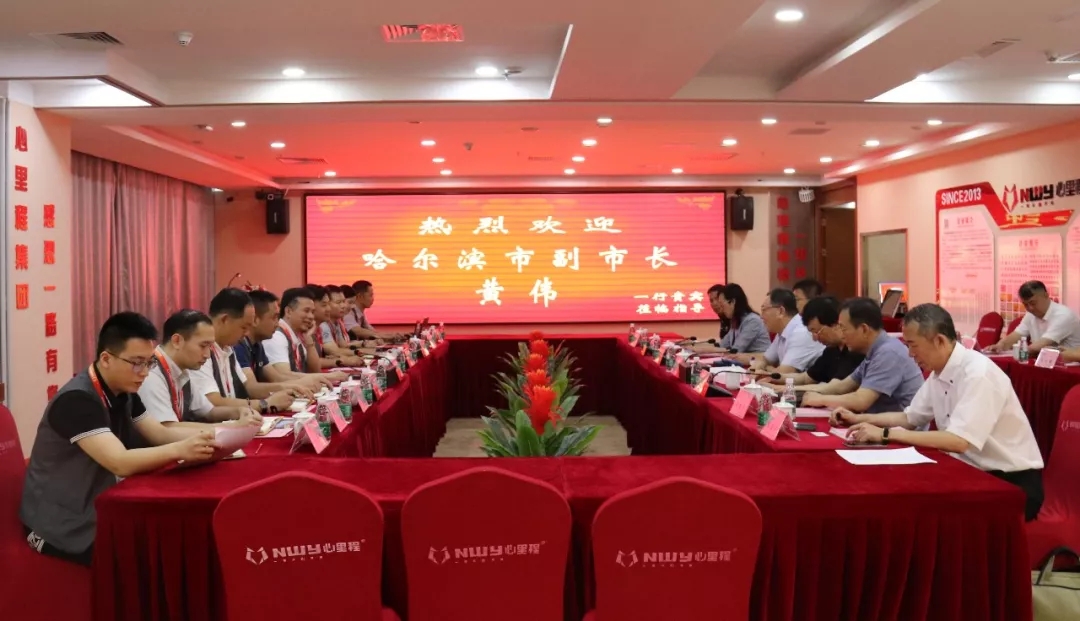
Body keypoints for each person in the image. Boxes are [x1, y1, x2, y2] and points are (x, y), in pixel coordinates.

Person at [20, 312, 219, 566]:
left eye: (149, 363)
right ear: (106, 359)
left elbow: (160, 433)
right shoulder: (76, 400)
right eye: (137, 363)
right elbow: (120, 462)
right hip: (60, 523)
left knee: (171, 535)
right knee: (153, 550)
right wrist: (181, 449)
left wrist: (219, 434)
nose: (144, 372)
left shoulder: (124, 391)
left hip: (98, 501)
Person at [837, 303, 1044, 520]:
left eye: (913, 345)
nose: (910, 354)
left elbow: (958, 441)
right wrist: (858, 418)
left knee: (918, 507)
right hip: (968, 470)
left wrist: (886, 434)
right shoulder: (939, 371)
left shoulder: (978, 373)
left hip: (1009, 483)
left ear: (939, 341)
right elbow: (909, 417)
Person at [139, 309, 264, 425]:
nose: (208, 355)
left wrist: (239, 411)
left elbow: (209, 412)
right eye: (203, 346)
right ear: (177, 341)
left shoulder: (182, 370)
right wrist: (233, 427)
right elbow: (167, 428)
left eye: (210, 347)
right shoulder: (151, 372)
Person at [801, 297, 923, 413]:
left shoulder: (889, 353)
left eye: (844, 329)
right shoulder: (874, 351)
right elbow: (842, 386)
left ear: (864, 329)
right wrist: (800, 392)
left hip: (899, 426)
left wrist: (821, 399)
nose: (842, 335)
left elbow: (861, 400)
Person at [190, 288, 298, 414]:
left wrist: (285, 389)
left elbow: (248, 387)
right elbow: (213, 402)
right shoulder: (201, 351)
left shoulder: (228, 348)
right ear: (225, 320)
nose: (246, 333)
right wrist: (264, 403)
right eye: (244, 327)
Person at [234, 289, 324, 394]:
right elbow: (251, 388)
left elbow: (276, 377)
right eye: (274, 317)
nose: (277, 323)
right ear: (255, 320)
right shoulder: (239, 344)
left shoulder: (257, 344)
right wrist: (296, 386)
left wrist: (314, 379)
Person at [764, 295, 865, 389]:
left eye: (816, 331)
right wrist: (772, 377)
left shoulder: (855, 350)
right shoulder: (831, 351)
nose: (815, 338)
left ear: (835, 325)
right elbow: (806, 378)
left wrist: (785, 389)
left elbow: (834, 387)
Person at [263, 287, 348, 384]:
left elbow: (315, 370)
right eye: (306, 311)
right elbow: (284, 376)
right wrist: (327, 376)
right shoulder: (277, 336)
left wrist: (309, 340)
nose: (311, 316)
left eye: (312, 312)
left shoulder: (299, 334)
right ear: (288, 311)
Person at [987, 280, 1080, 355]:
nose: (1030, 308)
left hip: (1070, 366)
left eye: (1033, 303)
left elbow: (1041, 345)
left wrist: (1017, 352)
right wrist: (1000, 345)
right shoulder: (1030, 314)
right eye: (1025, 305)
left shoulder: (1063, 315)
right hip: (1045, 362)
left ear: (1046, 295)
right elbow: (1017, 335)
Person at [747, 288, 823, 373]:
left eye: (764, 310)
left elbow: (783, 373)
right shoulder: (782, 330)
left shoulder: (800, 333)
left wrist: (765, 368)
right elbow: (765, 359)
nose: (761, 316)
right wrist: (761, 366)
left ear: (780, 311)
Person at [696, 284, 770, 355]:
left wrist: (704, 350)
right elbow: (722, 344)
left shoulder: (752, 321)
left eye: (722, 305)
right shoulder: (735, 321)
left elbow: (736, 350)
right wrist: (698, 347)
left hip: (757, 362)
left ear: (732, 302)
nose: (722, 309)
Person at [307, 284, 367, 368]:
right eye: (324, 305)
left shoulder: (334, 322)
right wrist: (344, 360)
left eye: (343, 301)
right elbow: (334, 352)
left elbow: (343, 346)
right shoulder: (322, 326)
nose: (343, 306)